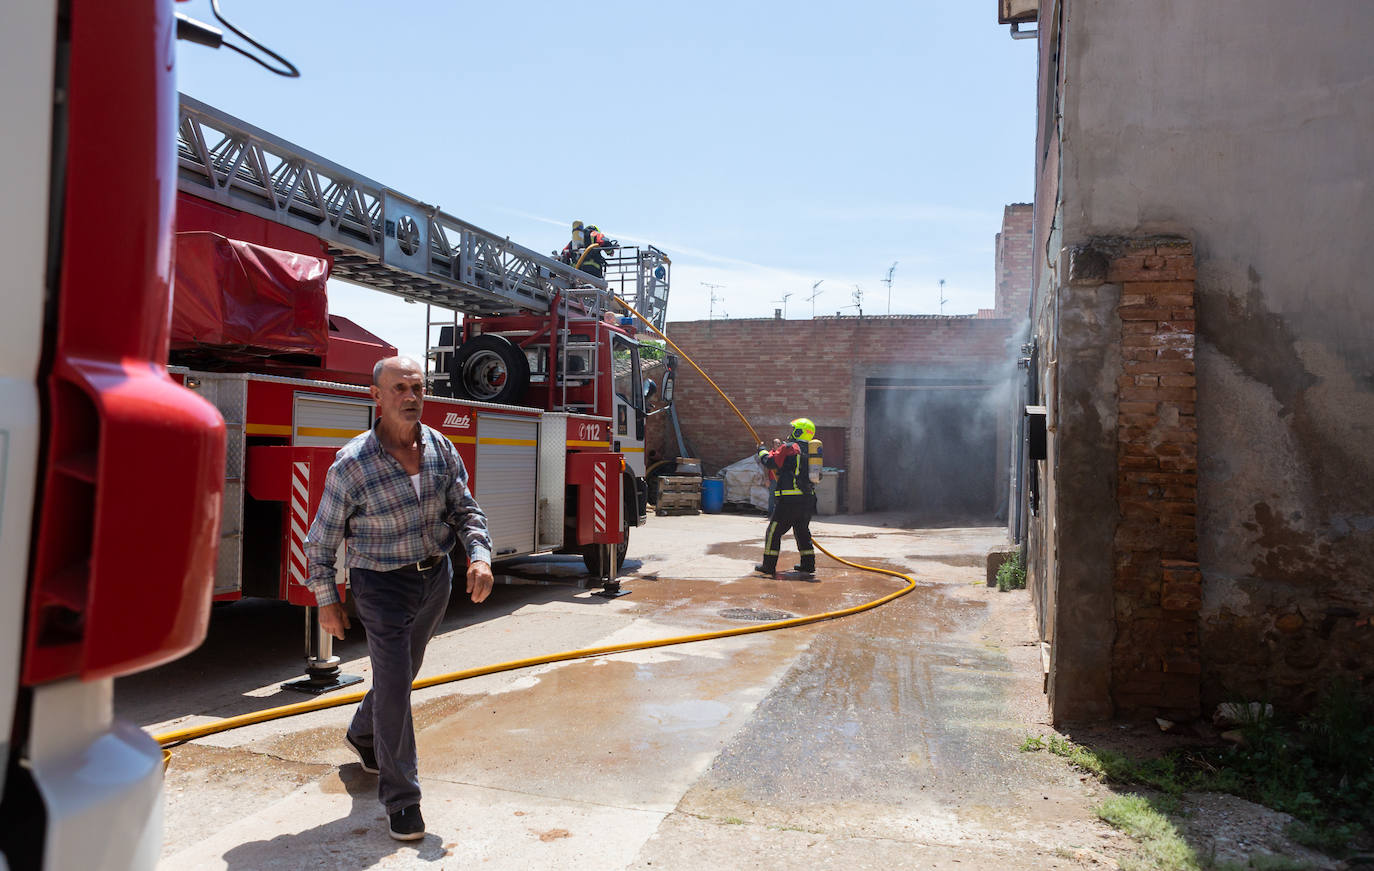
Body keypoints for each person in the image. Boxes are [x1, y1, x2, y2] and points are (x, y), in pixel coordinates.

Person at [304, 355, 495, 841]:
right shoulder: (352, 464)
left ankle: (362, 733)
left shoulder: (441, 449)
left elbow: (465, 510)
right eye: (399, 389)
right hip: (380, 584)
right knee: (393, 683)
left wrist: (479, 556)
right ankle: (402, 799)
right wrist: (327, 600)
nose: (411, 397)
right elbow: (320, 542)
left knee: (402, 675)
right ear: (376, 397)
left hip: (435, 580)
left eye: (417, 387)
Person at [754, 417, 823, 579]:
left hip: (790, 500)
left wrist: (761, 449)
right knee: (802, 531)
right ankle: (808, 564)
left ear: (798, 431)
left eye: (793, 429)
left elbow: (770, 462)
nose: (791, 432)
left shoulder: (790, 447)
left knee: (773, 531)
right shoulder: (809, 450)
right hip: (808, 500)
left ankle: (768, 566)